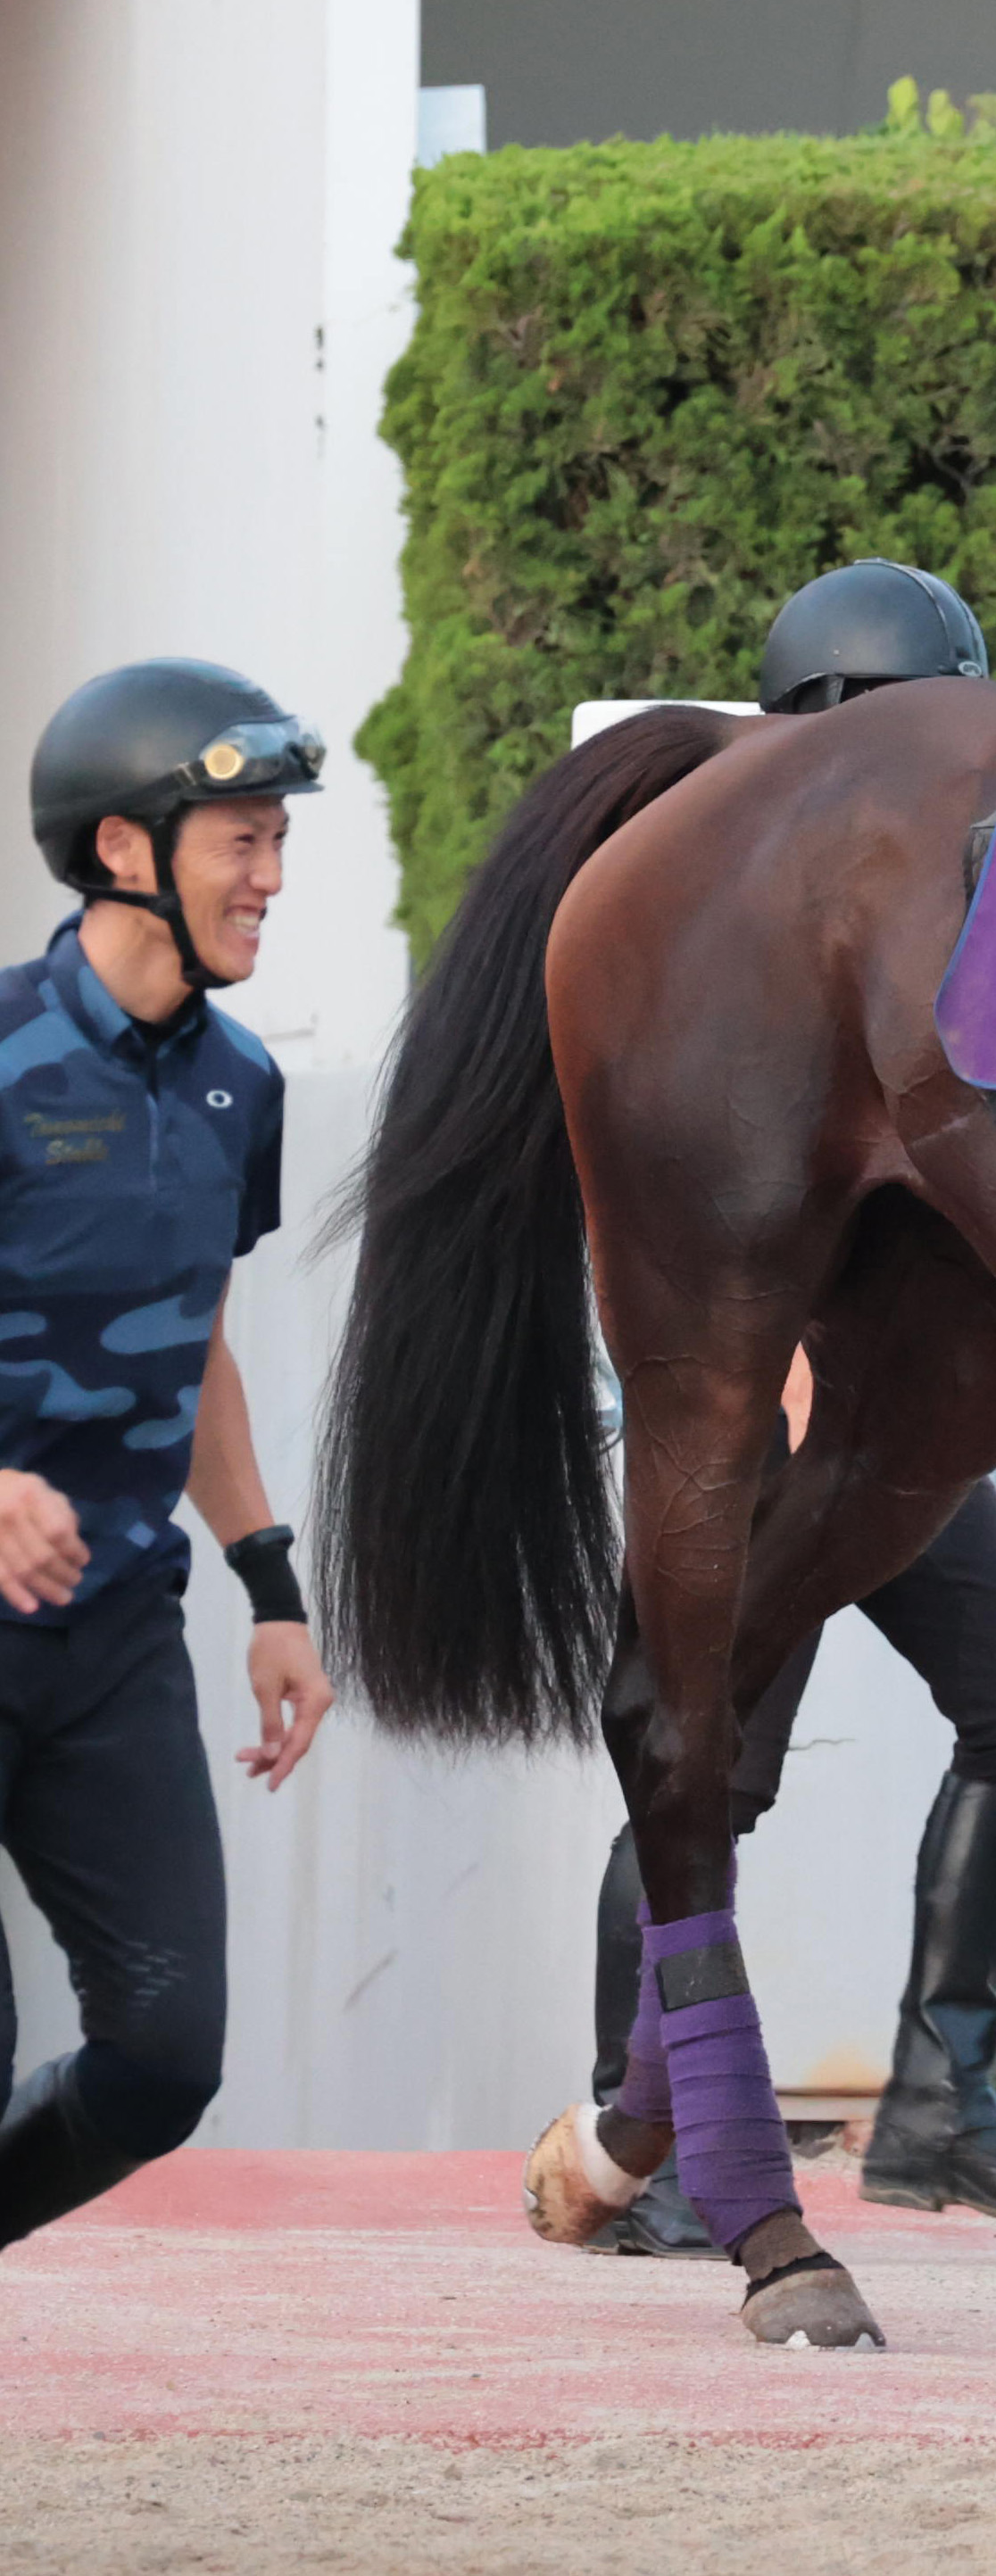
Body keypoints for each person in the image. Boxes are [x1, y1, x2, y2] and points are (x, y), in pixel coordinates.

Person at [584, 561, 996, 2256]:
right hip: (747, 1443)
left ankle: (944, 2102)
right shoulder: (717, 919)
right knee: (704, 1763)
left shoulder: (927, 923)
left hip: (886, 1441)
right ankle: (642, 2111)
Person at [0, 661, 337, 2248]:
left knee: (165, 2055)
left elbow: (197, 1340)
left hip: (117, 1634)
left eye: (278, 842)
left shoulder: (240, 1085)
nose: (270, 876)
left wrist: (270, 1578)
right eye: (243, 840)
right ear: (126, 847)